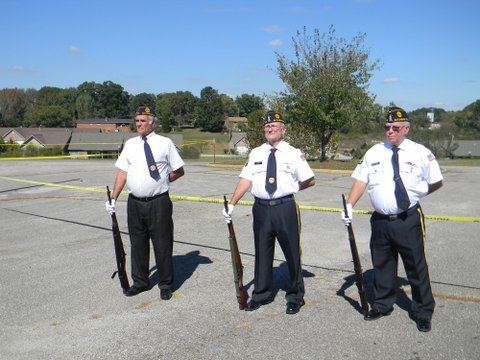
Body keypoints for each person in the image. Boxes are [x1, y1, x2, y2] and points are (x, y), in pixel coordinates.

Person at [341, 106, 443, 332]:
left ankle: (423, 311)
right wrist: (349, 205)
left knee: (416, 267)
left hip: (407, 218)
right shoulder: (374, 152)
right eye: (387, 127)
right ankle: (383, 304)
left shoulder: (420, 152)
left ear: (406, 128)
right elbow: (360, 180)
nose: (390, 131)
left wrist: (420, 191)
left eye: (396, 128)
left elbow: (437, 181)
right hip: (380, 221)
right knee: (382, 265)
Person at [223, 111, 315, 315]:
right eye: (267, 126)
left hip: (284, 207)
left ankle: (295, 296)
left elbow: (310, 179)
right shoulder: (256, 153)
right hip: (261, 208)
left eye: (274, 125)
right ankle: (261, 294)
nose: (270, 129)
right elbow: (245, 180)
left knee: (292, 252)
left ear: (283, 129)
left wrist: (293, 188)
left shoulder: (293, 152)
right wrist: (232, 204)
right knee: (262, 252)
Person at [105, 105, 185, 300]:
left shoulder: (165, 143)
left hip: (158, 202)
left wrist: (165, 180)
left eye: (143, 121)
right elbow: (123, 172)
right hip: (134, 203)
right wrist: (113, 198)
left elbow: (179, 170)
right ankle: (140, 282)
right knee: (137, 243)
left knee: (162, 243)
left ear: (152, 123)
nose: (139, 124)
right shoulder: (130, 144)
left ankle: (165, 284)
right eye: (137, 121)